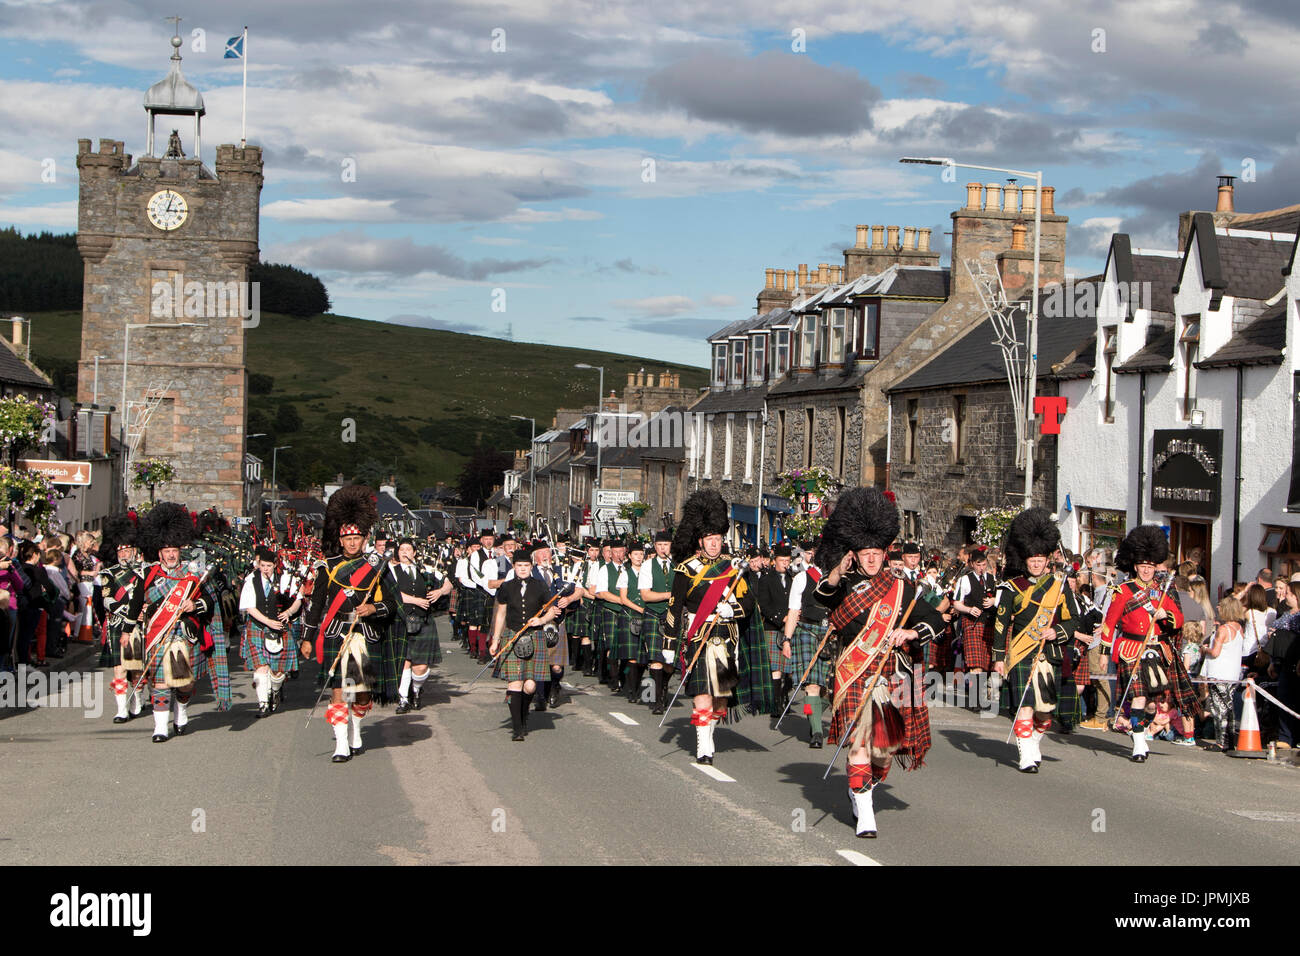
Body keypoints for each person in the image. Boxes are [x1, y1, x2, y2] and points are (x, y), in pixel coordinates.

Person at [813, 487, 946, 839]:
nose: (871, 560)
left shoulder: (902, 587)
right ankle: (866, 813)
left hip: (893, 674)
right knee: (859, 741)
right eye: (865, 554)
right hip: (854, 671)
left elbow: (937, 619)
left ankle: (863, 789)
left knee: (884, 751)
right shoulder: (843, 584)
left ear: (885, 552)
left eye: (876, 553)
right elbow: (820, 599)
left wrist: (910, 634)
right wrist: (837, 572)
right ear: (855, 554)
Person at [661, 490, 768, 766]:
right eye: (709, 539)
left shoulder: (732, 569)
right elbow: (674, 607)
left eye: (718, 539)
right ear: (700, 540)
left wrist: (732, 609)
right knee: (702, 694)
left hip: (725, 638)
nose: (714, 544)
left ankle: (708, 731)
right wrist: (669, 646)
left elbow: (748, 602)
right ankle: (704, 745)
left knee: (721, 697)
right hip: (699, 635)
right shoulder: (686, 569)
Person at [299, 486, 397, 763]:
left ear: (365, 538)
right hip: (336, 633)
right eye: (348, 538)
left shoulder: (376, 566)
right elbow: (315, 606)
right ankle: (340, 745)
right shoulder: (327, 567)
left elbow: (391, 604)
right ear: (340, 539)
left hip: (365, 635)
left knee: (363, 695)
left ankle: (356, 728)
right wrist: (307, 638)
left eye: (357, 538)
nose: (352, 543)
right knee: (339, 690)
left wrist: (372, 607)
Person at [1102, 525, 1199, 761]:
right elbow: (1109, 622)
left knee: (1153, 707)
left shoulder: (1162, 589)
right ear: (1135, 566)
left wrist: (1166, 616)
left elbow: (1179, 620)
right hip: (1131, 650)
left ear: (1155, 566)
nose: (1146, 570)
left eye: (1150, 566)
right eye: (1142, 566)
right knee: (1138, 697)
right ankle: (1137, 742)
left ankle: (1140, 730)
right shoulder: (1123, 591)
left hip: (1157, 651)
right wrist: (1105, 653)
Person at [990, 509, 1077, 772]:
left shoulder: (1059, 586)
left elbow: (1073, 621)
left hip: (1048, 654)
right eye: (1032, 559)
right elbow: (1001, 624)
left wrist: (1056, 632)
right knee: (1025, 706)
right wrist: (998, 658)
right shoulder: (1011, 588)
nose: (1036, 564)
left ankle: (1033, 740)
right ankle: (1026, 753)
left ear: (1047, 559)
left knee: (1045, 713)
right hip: (1020, 653)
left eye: (1040, 559)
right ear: (1024, 559)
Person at [135, 503, 230, 742]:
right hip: (158, 635)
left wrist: (194, 605)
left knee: (184, 685)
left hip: (186, 634)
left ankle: (182, 709)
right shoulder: (149, 575)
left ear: (180, 550)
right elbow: (137, 604)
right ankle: (160, 728)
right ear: (159, 552)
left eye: (174, 550)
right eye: (165, 550)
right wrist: (139, 613)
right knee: (160, 682)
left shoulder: (193, 574)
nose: (170, 554)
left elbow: (212, 599)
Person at [488, 547, 560, 741]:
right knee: (515, 683)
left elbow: (552, 611)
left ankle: (523, 712)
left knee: (529, 687)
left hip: (534, 636)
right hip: (512, 636)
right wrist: (495, 640)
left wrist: (542, 621)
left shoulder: (540, 585)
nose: (522, 569)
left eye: (526, 566)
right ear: (514, 566)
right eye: (519, 566)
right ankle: (517, 728)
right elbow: (501, 614)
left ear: (531, 566)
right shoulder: (506, 587)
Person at [388, 539, 452, 714]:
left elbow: (449, 584)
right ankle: (403, 699)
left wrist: (439, 591)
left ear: (414, 553)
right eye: (401, 549)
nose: (405, 552)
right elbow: (390, 594)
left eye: (408, 549)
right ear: (397, 553)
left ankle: (416, 690)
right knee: (404, 662)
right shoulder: (391, 571)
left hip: (423, 621)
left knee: (420, 667)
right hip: (400, 621)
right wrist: (415, 600)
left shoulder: (425, 571)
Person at [95, 515, 145, 722]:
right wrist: (131, 611)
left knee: (137, 668)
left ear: (135, 550)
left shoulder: (145, 572)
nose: (124, 554)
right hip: (119, 624)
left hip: (141, 626)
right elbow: (107, 601)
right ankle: (121, 709)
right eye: (120, 550)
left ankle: (137, 699)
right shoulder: (108, 573)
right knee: (120, 668)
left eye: (128, 550)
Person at [784, 538, 833, 748]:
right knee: (812, 685)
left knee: (832, 689)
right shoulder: (802, 578)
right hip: (807, 631)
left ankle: (811, 712)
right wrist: (787, 639)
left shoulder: (839, 580)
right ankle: (817, 732)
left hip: (832, 634)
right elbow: (794, 611)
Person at [239, 546, 297, 718]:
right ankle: (263, 704)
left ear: (275, 565)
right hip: (258, 626)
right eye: (262, 565)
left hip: (280, 628)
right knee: (260, 667)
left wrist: (288, 612)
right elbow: (249, 607)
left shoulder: (285, 578)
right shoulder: (251, 580)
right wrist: (268, 622)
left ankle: (275, 690)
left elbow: (298, 599)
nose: (265, 569)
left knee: (278, 672)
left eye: (268, 566)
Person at [753, 541, 795, 718]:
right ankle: (776, 704)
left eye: (787, 560)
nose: (785, 563)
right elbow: (764, 604)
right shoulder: (766, 579)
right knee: (776, 669)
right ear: (774, 561)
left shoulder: (794, 578)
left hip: (791, 628)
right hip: (773, 626)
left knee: (790, 668)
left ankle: (783, 698)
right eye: (782, 560)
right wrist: (781, 618)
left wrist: (792, 619)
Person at [638, 530, 677, 715]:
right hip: (654, 614)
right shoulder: (647, 566)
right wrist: (669, 596)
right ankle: (658, 699)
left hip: (673, 616)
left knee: (670, 661)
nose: (663, 548)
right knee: (656, 659)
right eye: (660, 545)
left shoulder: (677, 565)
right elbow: (646, 595)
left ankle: (662, 687)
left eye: (666, 545)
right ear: (655, 546)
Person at [951, 547, 997, 703]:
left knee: (985, 663)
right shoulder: (965, 580)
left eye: (983, 564)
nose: (981, 568)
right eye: (978, 565)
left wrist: (993, 601)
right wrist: (969, 609)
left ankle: (979, 697)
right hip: (971, 624)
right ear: (971, 564)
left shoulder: (992, 579)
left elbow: (1000, 599)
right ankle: (975, 700)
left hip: (988, 624)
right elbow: (956, 603)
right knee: (975, 664)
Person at [1202, 595, 1245, 752]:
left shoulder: (1223, 629)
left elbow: (1215, 652)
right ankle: (1230, 740)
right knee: (1229, 707)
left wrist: (1205, 649)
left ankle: (1221, 741)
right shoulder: (1240, 629)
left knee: (1219, 708)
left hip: (1219, 673)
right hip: (1232, 674)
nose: (1218, 609)